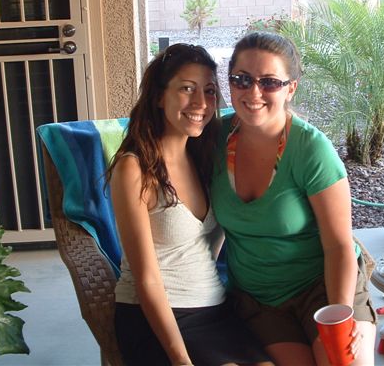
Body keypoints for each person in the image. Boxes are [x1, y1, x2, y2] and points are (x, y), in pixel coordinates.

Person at [211, 32, 377, 365]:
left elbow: (339, 246)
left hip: (324, 284)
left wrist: (340, 316)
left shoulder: (311, 150)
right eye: (242, 79)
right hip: (259, 298)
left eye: (269, 82)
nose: (253, 92)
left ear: (291, 88)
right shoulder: (214, 139)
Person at [107, 43, 271, 366]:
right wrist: (181, 360)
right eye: (187, 89)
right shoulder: (134, 169)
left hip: (214, 309)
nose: (201, 103)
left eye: (209, 91)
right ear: (159, 96)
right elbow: (146, 280)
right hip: (156, 317)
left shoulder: (204, 158)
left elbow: (207, 243)